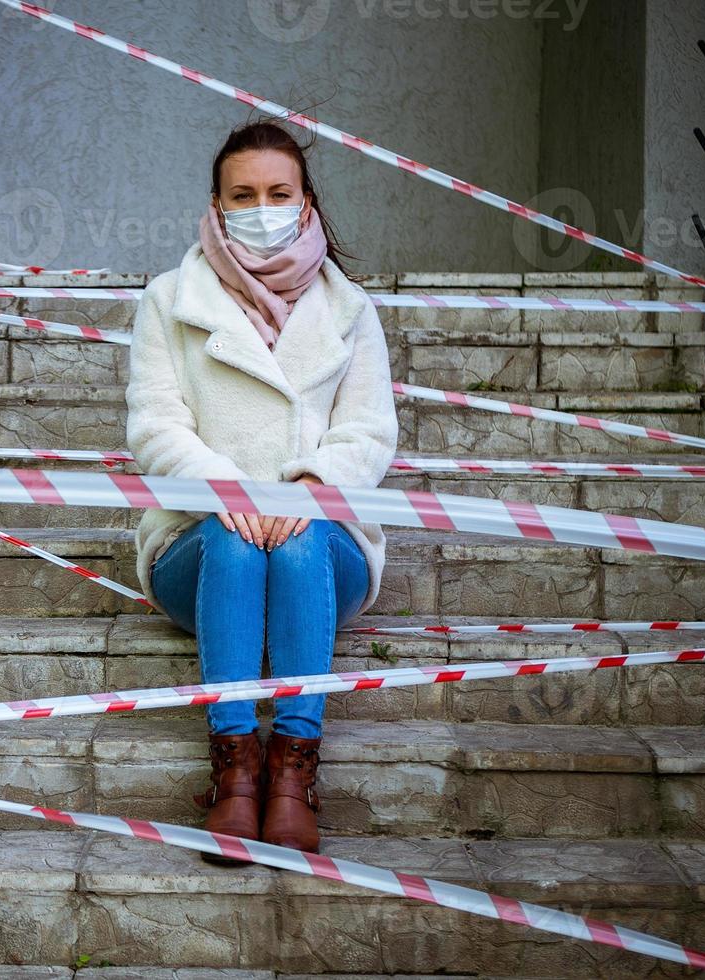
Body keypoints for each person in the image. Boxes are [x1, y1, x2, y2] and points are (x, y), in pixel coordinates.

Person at [125, 120, 398, 861]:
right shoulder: (168, 301)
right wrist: (230, 492)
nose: (262, 206)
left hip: (324, 548)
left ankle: (293, 772)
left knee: (302, 537)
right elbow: (154, 429)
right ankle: (236, 769)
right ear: (216, 205)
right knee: (234, 540)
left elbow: (369, 432)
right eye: (242, 194)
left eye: (279, 193)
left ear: (307, 204)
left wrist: (307, 489)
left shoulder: (351, 311)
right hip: (200, 548)